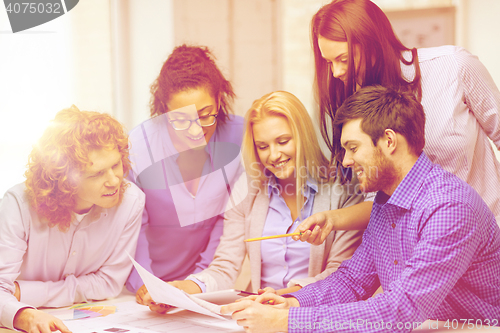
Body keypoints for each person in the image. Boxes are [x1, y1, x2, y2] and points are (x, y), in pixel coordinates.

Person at [222, 86, 500, 332]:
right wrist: (291, 303)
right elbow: (352, 280)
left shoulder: (449, 208)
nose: (346, 161)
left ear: (389, 141)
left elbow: (397, 311)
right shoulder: (384, 202)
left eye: (352, 148)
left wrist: (283, 323)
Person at [295, 0, 500, 243]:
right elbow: (381, 204)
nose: (336, 73)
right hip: (422, 247)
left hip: (486, 239)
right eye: (329, 63)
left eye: (343, 59)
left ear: (373, 42)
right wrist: (331, 219)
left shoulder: (454, 67)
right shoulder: (362, 107)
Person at [145, 91, 364, 314]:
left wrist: (282, 297)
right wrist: (181, 289)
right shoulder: (247, 190)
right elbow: (225, 267)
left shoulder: (344, 189)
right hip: (260, 317)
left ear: (303, 136)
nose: (274, 155)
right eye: (263, 146)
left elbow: (340, 275)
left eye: (283, 141)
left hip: (312, 316)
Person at [0, 106, 145, 333]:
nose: (114, 181)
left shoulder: (131, 202)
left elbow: (109, 283)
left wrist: (25, 291)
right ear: (64, 180)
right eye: (97, 173)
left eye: (116, 165)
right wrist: (23, 315)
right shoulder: (19, 204)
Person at [126, 45, 245, 303]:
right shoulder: (139, 146)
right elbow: (133, 227)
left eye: (205, 115)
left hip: (202, 287)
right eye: (180, 120)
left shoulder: (240, 136)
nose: (195, 130)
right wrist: (149, 286)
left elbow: (228, 220)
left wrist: (198, 283)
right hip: (141, 287)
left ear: (219, 100)